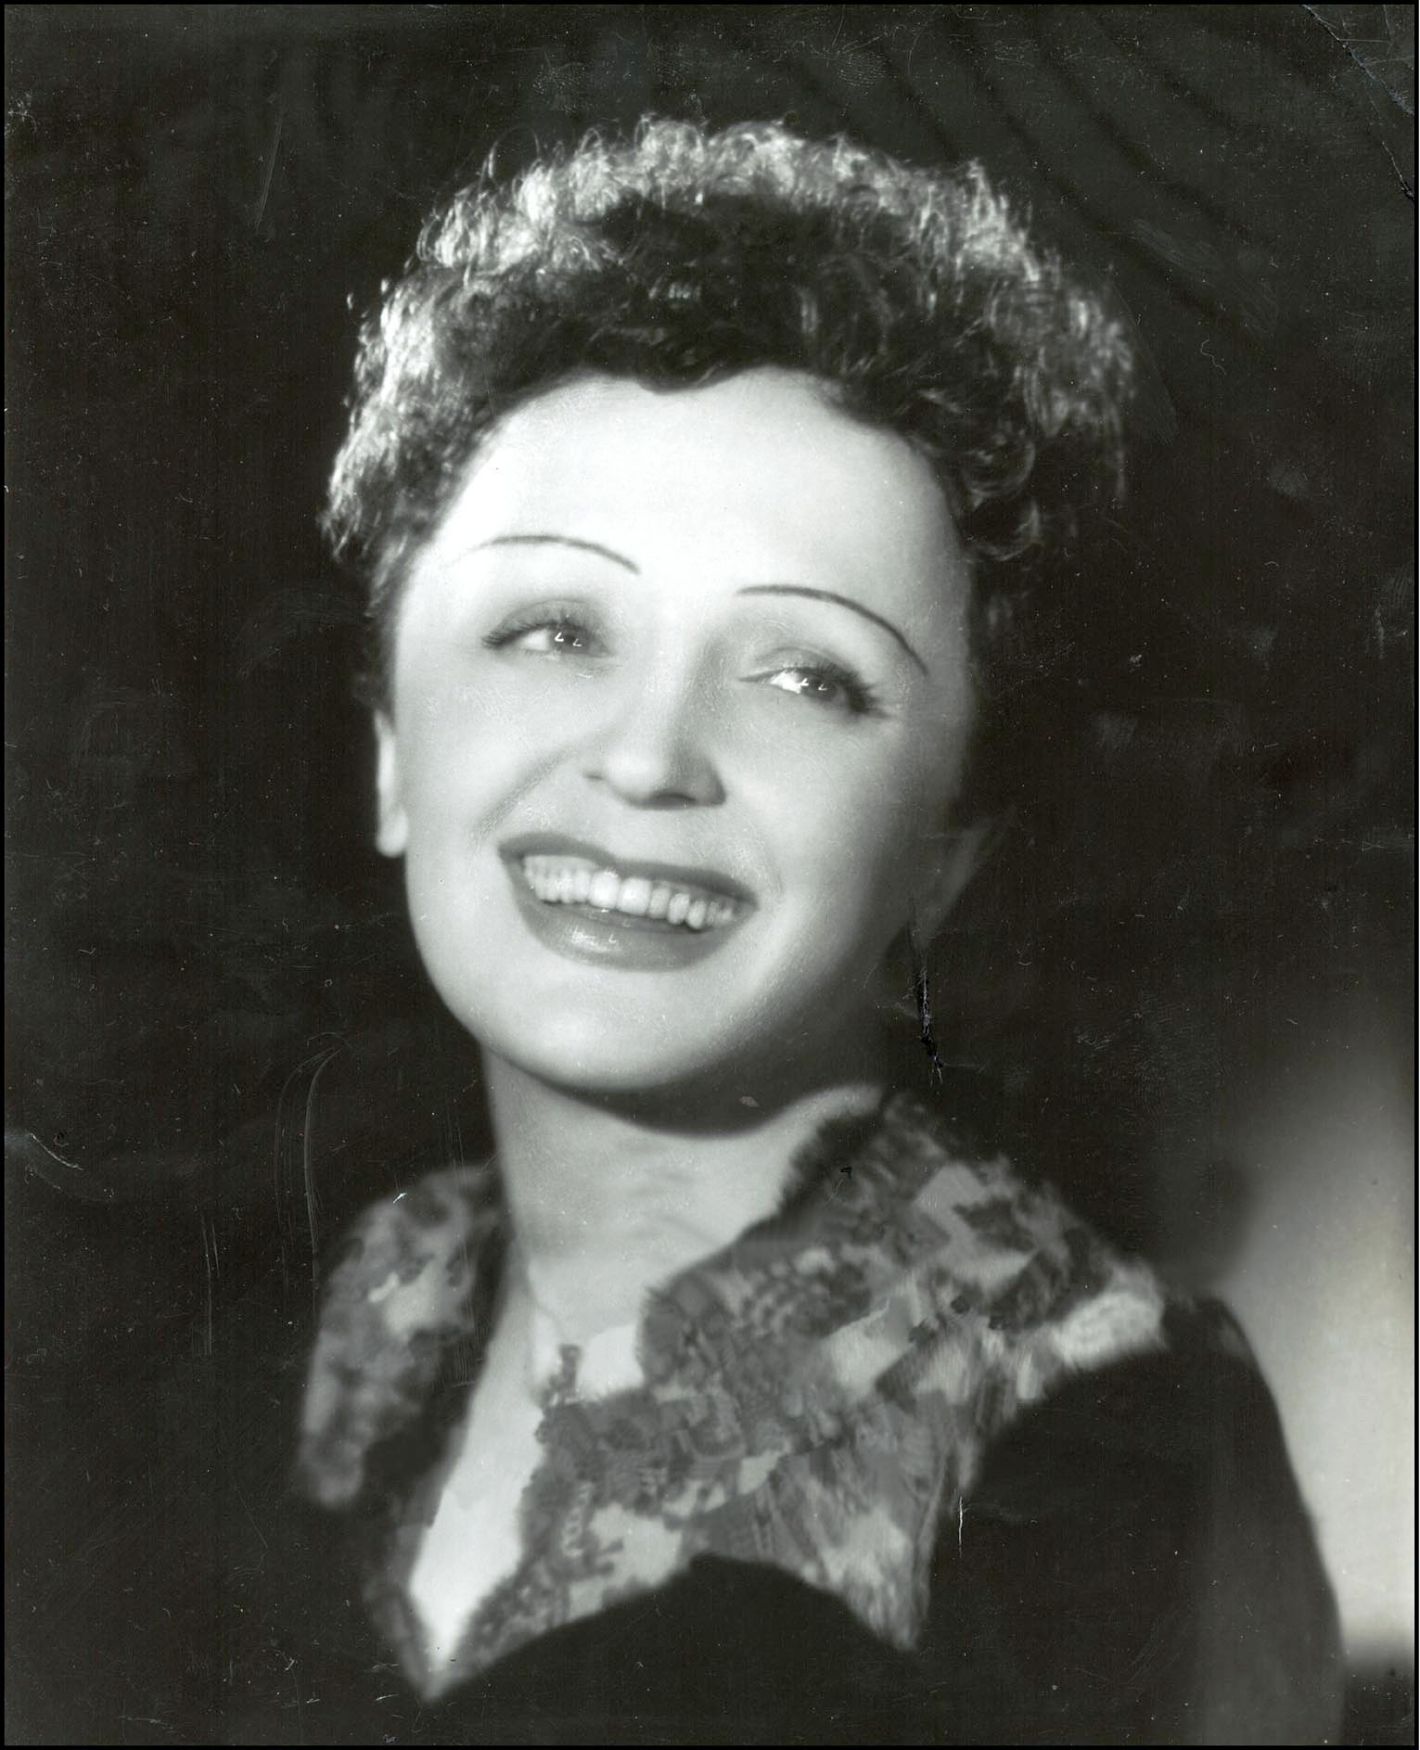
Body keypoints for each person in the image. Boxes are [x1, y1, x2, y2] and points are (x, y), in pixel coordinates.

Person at [291, 119, 1343, 1744]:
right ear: (389, 754)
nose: (647, 758)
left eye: (806, 676)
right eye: (553, 627)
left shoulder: (1113, 1432)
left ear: (947, 851)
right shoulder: (373, 1296)